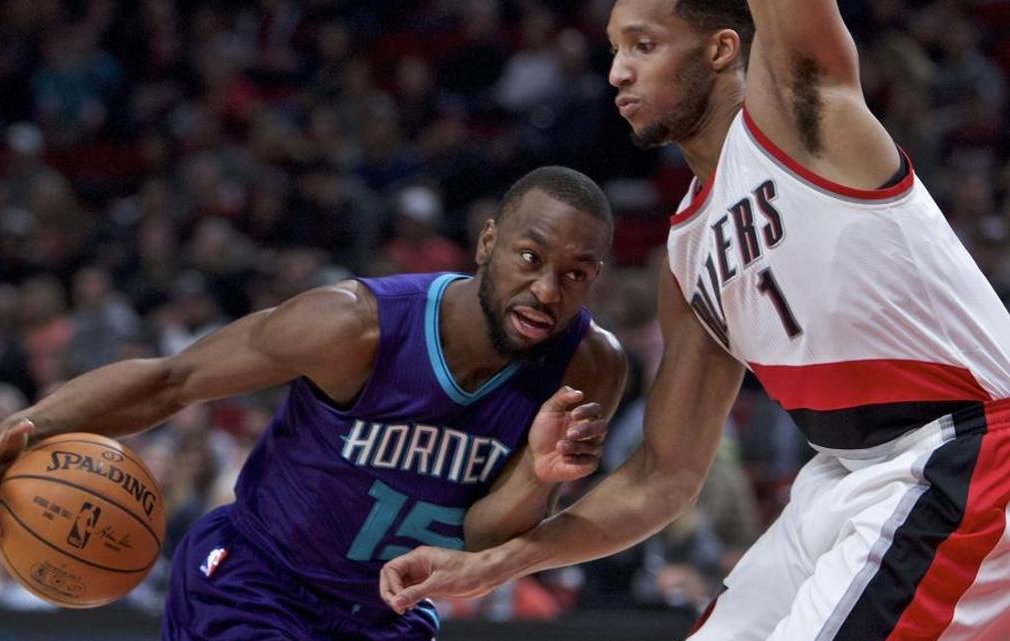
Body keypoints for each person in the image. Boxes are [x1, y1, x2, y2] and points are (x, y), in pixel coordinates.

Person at [379, 2, 1010, 640]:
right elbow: (663, 475)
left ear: (721, 50)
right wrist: (494, 564)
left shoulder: (801, 114)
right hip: (840, 476)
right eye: (615, 50)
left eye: (643, 46)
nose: (617, 73)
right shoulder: (686, 254)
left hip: (966, 449)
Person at [0, 165, 628, 641]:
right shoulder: (356, 325)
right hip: (256, 583)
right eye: (530, 257)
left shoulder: (587, 365)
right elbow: (173, 380)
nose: (547, 290)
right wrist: (28, 424)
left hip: (386, 617)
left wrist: (540, 475)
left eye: (575, 274)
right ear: (488, 244)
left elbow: (482, 538)